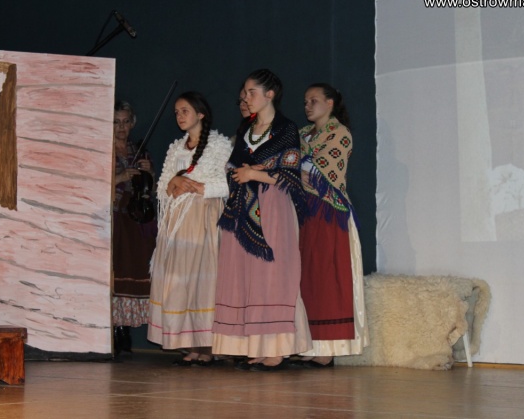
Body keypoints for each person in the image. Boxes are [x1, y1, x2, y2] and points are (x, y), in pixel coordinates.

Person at [212, 68, 312, 371]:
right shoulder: (246, 128)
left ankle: (277, 348)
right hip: (243, 207)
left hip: (273, 206)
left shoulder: (286, 129)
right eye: (244, 93)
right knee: (245, 275)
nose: (246, 97)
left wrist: (254, 173)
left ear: (270, 94)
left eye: (251, 92)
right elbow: (233, 166)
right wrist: (241, 173)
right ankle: (254, 346)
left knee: (272, 275)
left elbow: (290, 173)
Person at [147, 91, 232, 366]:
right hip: (177, 221)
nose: (180, 116)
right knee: (180, 280)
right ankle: (189, 343)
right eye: (177, 112)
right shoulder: (177, 147)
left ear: (200, 114)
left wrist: (195, 186)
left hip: (203, 216)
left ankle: (207, 345)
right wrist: (174, 182)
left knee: (202, 280)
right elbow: (163, 187)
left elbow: (227, 184)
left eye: (185, 111)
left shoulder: (218, 145)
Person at [295, 83, 368, 367]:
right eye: (305, 101)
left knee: (327, 279)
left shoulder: (340, 133)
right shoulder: (302, 134)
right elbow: (292, 166)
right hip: (305, 213)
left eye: (313, 100)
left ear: (330, 104)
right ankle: (309, 345)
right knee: (307, 278)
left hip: (329, 212)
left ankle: (327, 350)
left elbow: (318, 172)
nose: (308, 106)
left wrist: (295, 167)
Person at [112, 100, 157, 357]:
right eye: (116, 122)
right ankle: (114, 329)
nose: (121, 127)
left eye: (126, 121)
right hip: (113, 216)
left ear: (133, 123)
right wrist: (119, 177)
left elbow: (151, 189)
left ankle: (124, 327)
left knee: (132, 268)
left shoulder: (139, 150)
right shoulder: (103, 149)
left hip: (135, 216)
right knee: (114, 270)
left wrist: (150, 172)